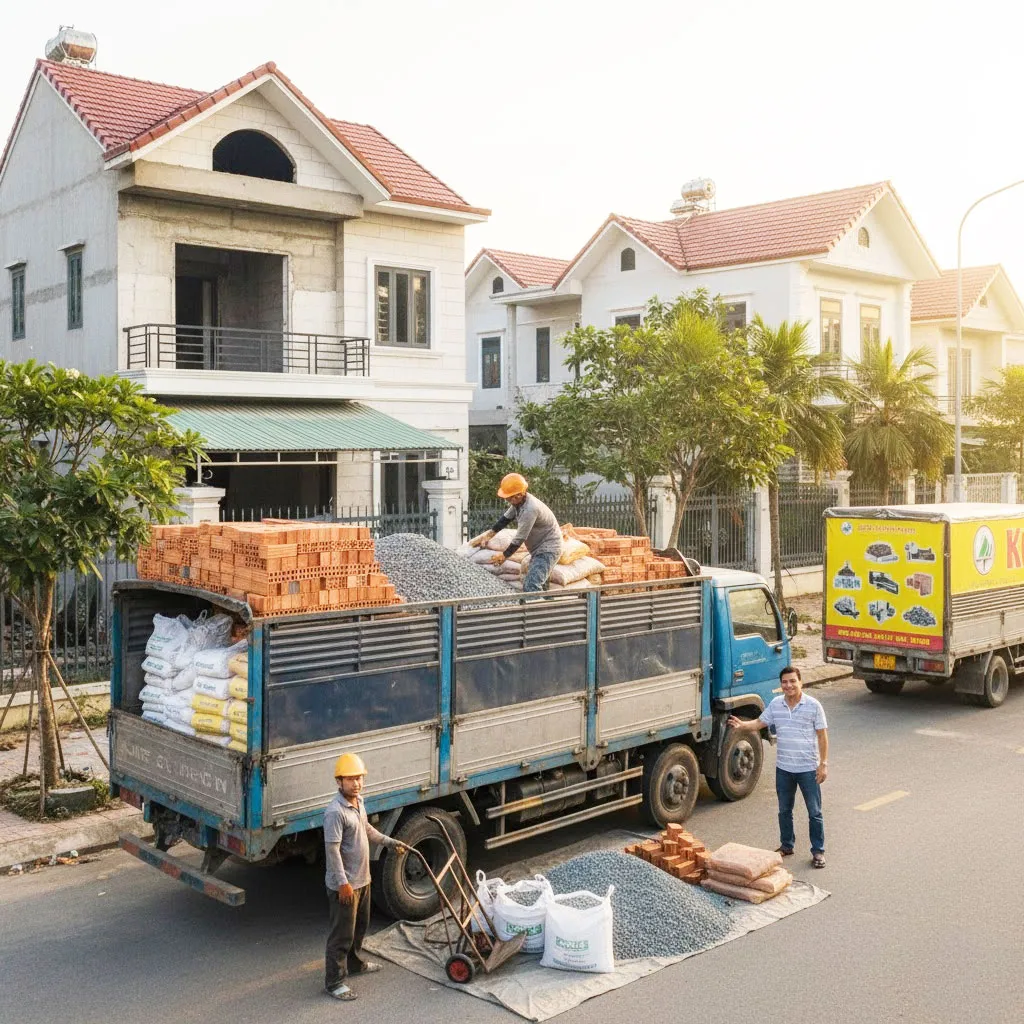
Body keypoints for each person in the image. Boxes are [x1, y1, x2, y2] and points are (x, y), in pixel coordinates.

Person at [323, 752, 408, 1001]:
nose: (356, 783)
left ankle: (355, 963)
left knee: (360, 927)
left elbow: (367, 829)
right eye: (350, 779)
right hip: (346, 885)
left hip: (363, 880)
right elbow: (332, 850)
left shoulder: (359, 801)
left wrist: (390, 842)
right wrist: (343, 884)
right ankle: (335, 982)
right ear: (339, 782)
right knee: (341, 935)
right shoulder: (334, 812)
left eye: (359, 778)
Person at [728, 665, 829, 868]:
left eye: (793, 681)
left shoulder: (813, 705)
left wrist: (823, 764)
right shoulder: (776, 704)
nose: (789, 685)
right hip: (784, 768)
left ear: (800, 682)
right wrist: (742, 725)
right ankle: (786, 845)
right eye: (785, 682)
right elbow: (759, 723)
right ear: (781, 684)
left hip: (808, 768)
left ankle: (818, 851)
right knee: (784, 810)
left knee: (814, 812)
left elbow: (822, 735)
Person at [471, 473, 563, 593]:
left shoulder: (530, 509)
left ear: (520, 494)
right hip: (538, 550)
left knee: (531, 586)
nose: (507, 500)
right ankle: (547, 606)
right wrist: (488, 535)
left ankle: (536, 610)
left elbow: (520, 538)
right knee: (541, 586)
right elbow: (505, 519)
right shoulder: (518, 503)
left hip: (548, 550)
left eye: (509, 497)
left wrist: (504, 556)